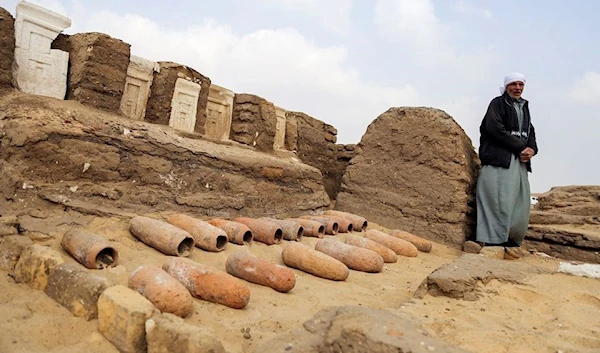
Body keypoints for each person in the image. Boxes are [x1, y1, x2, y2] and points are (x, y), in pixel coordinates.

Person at [474, 72, 538, 259]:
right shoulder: (498, 103)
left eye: (521, 84)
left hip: (519, 162)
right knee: (498, 198)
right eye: (513, 84)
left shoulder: (524, 107)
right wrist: (521, 147)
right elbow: (494, 129)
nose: (517, 88)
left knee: (520, 201)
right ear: (507, 86)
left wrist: (532, 150)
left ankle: (511, 239)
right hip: (500, 160)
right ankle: (494, 239)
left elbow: (531, 133)